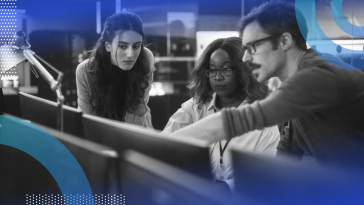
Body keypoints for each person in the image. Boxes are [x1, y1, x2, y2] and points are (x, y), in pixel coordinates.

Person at [171, 1, 364, 171]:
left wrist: (162, 149)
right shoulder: (297, 85)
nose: (245, 58)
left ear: (285, 41)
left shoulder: (317, 76)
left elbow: (238, 121)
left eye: (252, 47)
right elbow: (288, 152)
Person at [162, 37, 280, 190]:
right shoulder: (194, 108)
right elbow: (162, 148)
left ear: (244, 70)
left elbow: (263, 186)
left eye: (226, 69)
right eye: (212, 69)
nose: (218, 77)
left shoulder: (264, 124)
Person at [76, 11, 155, 128]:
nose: (130, 54)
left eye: (136, 46)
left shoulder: (146, 57)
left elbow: (138, 110)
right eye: (122, 46)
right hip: (100, 136)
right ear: (108, 46)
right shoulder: (85, 71)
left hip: (138, 132)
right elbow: (86, 119)